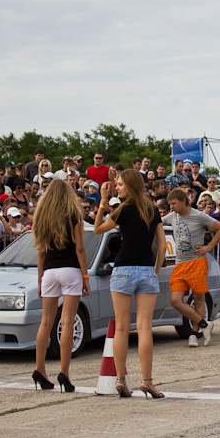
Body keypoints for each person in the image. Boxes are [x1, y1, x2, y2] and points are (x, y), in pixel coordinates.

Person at [93, 170, 166, 398]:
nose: (117, 187)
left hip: (123, 270)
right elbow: (162, 246)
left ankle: (120, 379)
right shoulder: (152, 211)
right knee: (145, 327)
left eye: (120, 184)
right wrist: (155, 270)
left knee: (122, 328)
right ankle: (147, 380)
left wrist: (103, 201)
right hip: (146, 269)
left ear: (130, 186)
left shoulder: (122, 210)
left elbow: (97, 229)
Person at [31, 179, 90, 392]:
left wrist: (39, 280)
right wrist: (85, 275)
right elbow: (80, 249)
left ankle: (40, 369)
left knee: (45, 323)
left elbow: (40, 253)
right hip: (70, 270)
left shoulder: (41, 218)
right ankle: (64, 373)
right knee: (67, 322)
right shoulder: (73, 216)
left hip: (48, 272)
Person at [161, 188, 220, 347]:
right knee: (175, 300)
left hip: (197, 261)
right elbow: (156, 221)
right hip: (179, 263)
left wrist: (208, 247)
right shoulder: (172, 216)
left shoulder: (199, 215)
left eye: (173, 203)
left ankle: (194, 333)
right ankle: (204, 324)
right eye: (169, 204)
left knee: (198, 299)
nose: (171, 207)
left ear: (184, 201)